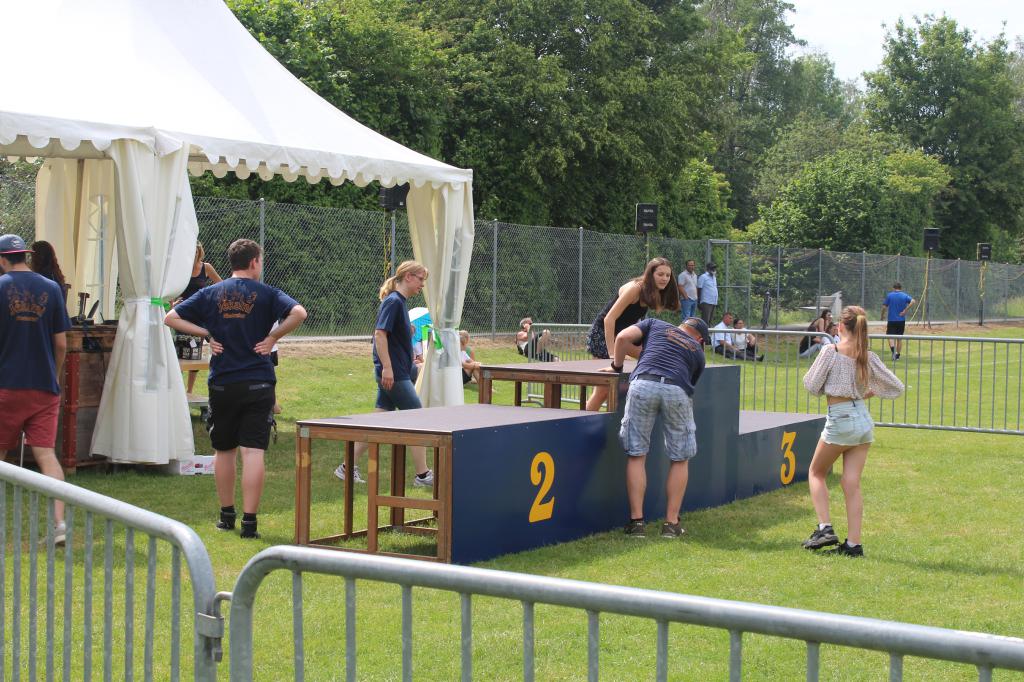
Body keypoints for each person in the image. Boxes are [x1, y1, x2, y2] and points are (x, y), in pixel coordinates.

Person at [165, 239, 307, 539]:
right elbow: (299, 313)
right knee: (253, 452)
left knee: (224, 451)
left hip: (223, 382)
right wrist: (273, 338)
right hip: (259, 382)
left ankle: (226, 516)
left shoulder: (210, 293)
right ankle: (250, 523)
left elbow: (171, 317)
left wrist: (207, 333)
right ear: (254, 261)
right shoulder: (268, 293)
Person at [801, 305, 904, 557]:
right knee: (851, 483)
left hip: (840, 417)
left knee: (816, 472)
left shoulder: (831, 351)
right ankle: (853, 544)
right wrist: (865, 392)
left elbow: (811, 385)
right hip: (862, 420)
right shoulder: (867, 355)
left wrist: (833, 387)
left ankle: (824, 528)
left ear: (840, 326)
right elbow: (896, 387)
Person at [606, 316, 709, 538]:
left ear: (681, 326)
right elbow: (690, 385)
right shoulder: (698, 353)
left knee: (636, 454)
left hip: (643, 383)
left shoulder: (655, 324)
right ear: (700, 340)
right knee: (680, 458)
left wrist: (616, 367)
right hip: (677, 389)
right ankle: (671, 524)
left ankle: (637, 523)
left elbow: (622, 337)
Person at [335, 261, 434, 487]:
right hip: (393, 374)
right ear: (408, 277)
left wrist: (406, 330)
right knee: (417, 418)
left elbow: (389, 334)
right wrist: (387, 368)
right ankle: (423, 475)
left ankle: (346, 467)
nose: (422, 285)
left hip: (395, 371)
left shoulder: (399, 302)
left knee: (378, 422)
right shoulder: (394, 301)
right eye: (420, 279)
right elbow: (379, 335)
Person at [0, 234, 72, 545]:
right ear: (24, 256)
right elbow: (61, 344)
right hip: (44, 386)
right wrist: (53, 376)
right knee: (46, 454)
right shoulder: (52, 288)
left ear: (2, 259)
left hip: (6, 384)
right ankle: (59, 525)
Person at [584, 257, 680, 411]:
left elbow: (634, 319)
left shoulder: (653, 292)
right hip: (604, 334)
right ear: (650, 274)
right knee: (602, 390)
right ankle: (583, 421)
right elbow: (609, 319)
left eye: (668, 275)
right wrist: (612, 353)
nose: (664, 278)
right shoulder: (636, 289)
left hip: (623, 337)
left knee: (648, 363)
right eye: (660, 274)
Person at [175, 242, 223, 394]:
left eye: (195, 252)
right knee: (180, 352)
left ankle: (189, 390)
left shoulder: (206, 267)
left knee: (195, 352)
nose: (193, 254)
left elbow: (222, 285)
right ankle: (178, 391)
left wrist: (211, 300)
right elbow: (172, 290)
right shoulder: (181, 268)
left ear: (199, 252)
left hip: (200, 316)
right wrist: (173, 303)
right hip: (182, 316)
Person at [881, 282, 915, 360]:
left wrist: (882, 315)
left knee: (890, 336)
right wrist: (905, 310)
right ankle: (897, 355)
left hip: (892, 320)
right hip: (901, 320)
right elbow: (913, 301)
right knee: (899, 338)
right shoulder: (904, 295)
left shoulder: (890, 295)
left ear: (893, 288)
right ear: (900, 288)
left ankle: (893, 352)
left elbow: (884, 307)